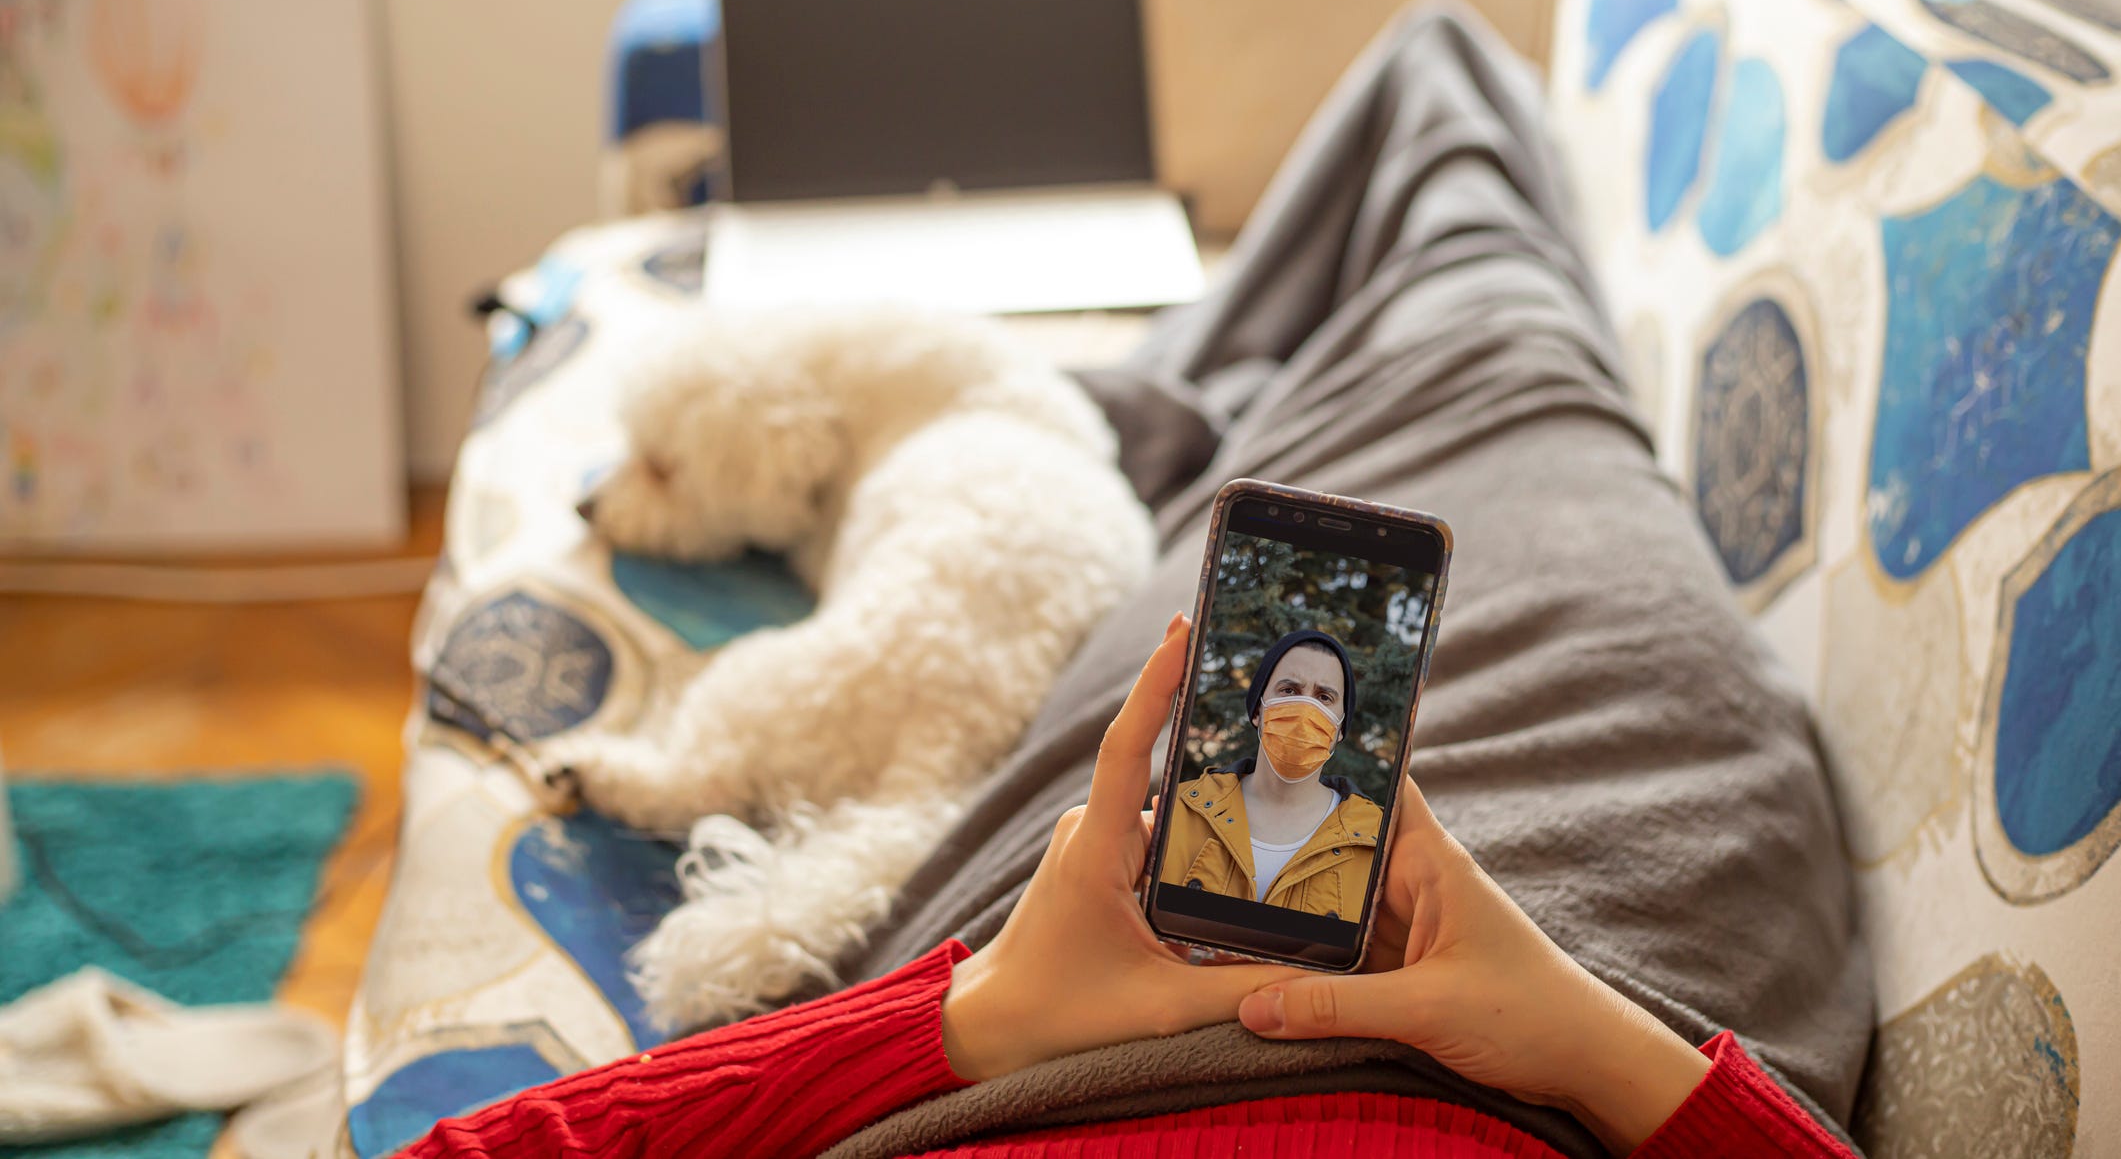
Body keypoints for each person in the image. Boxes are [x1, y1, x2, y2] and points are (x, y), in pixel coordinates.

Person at [399, 616, 1854, 1158]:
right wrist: (1596, 1043)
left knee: (1212, 596)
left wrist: (974, 1019)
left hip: (1055, 998)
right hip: (1590, 953)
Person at [1157, 628, 1384, 916]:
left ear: (1340, 729)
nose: (1306, 709)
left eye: (1324, 697)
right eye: (1289, 691)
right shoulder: (1179, 809)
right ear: (1257, 711)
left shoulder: (1377, 842)